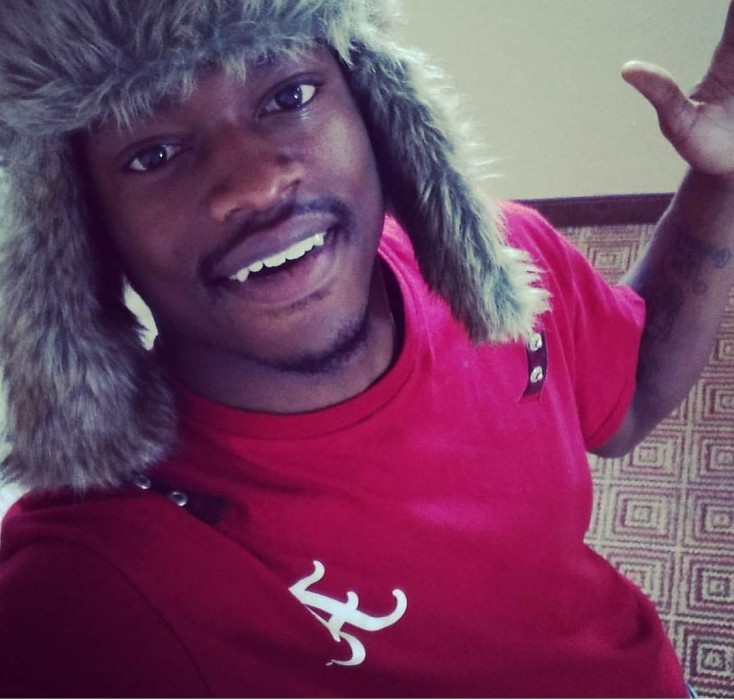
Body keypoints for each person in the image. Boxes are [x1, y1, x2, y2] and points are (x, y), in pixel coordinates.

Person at [0, 0, 731, 696]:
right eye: (154, 153)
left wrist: (721, 177)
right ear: (80, 229)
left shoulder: (511, 257)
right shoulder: (90, 577)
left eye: (289, 96)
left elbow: (631, 395)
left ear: (375, 108)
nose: (257, 181)